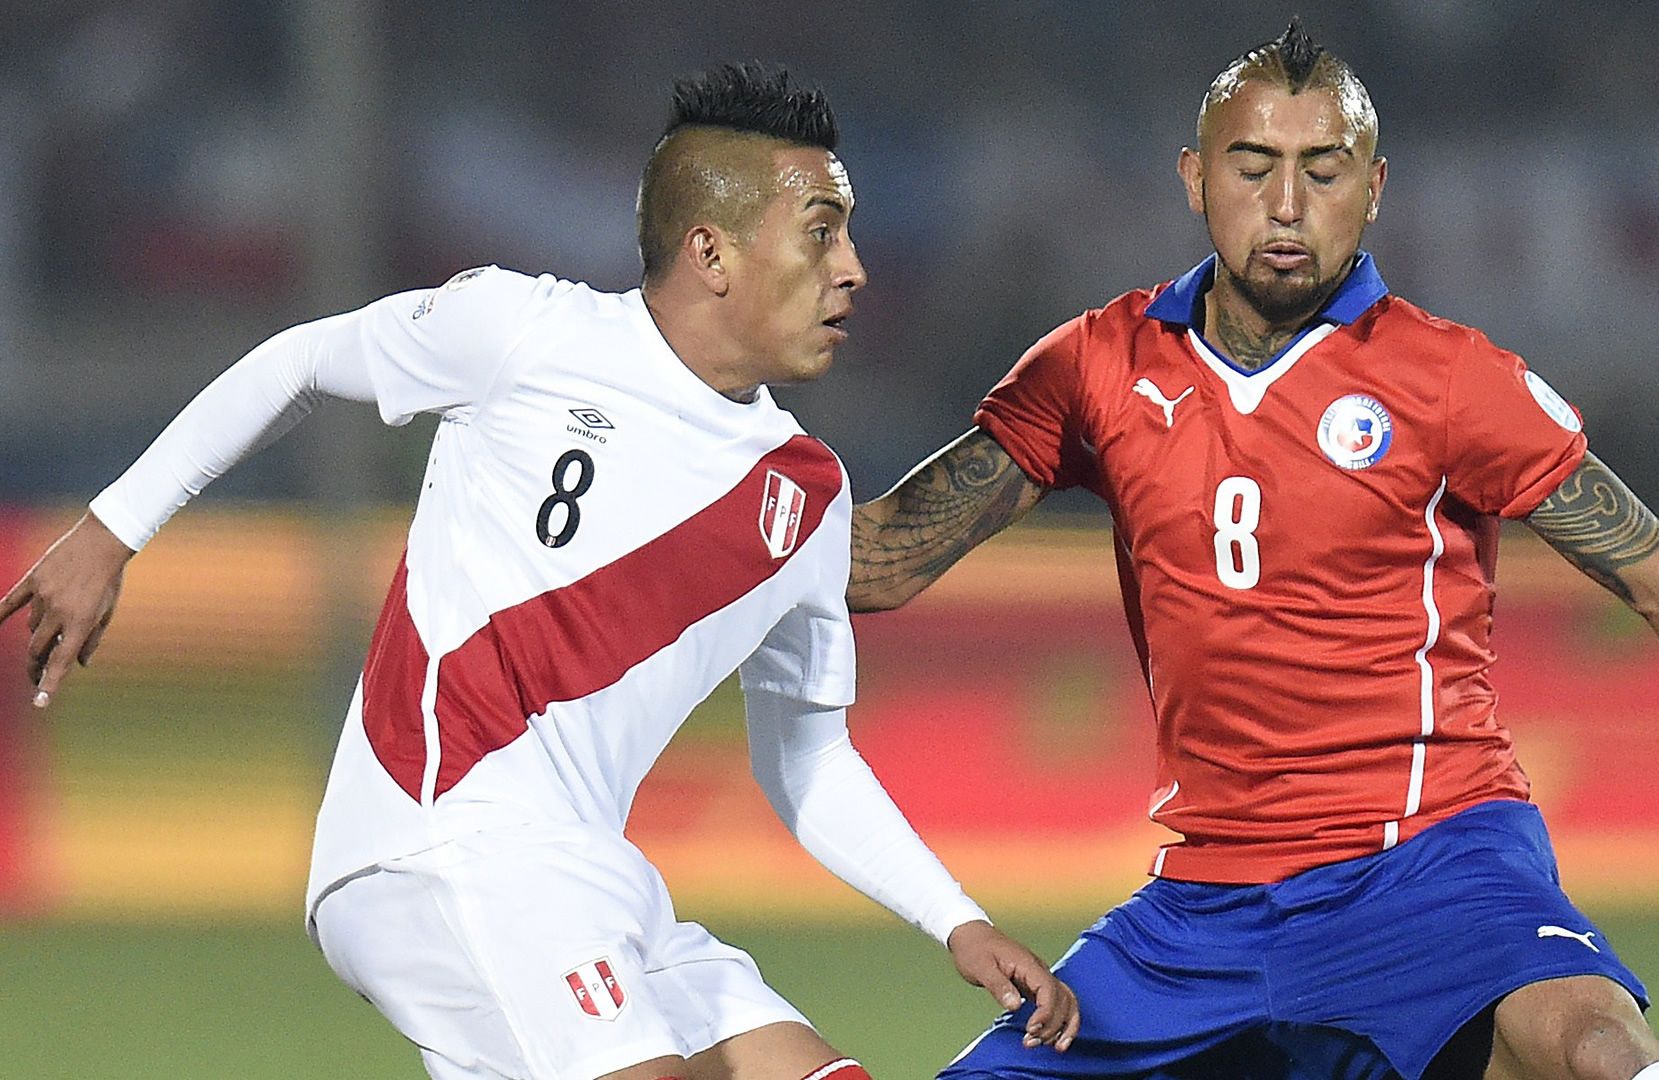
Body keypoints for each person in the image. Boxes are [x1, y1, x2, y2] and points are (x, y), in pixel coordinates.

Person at [848, 21, 1659, 1080]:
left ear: (1374, 186)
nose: (1284, 204)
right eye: (1253, 165)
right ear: (1192, 177)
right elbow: (882, 561)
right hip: (1201, 910)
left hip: (1432, 865)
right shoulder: (1095, 365)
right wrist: (699, 436)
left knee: (1596, 1049)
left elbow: (1653, 570)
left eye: (1323, 170)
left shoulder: (1449, 377)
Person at [1, 62, 1077, 1080]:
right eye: (821, 233)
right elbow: (304, 362)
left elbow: (806, 762)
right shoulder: (525, 332)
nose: (854, 269)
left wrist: (956, 919)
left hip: (591, 879)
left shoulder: (806, 493)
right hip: (437, 839)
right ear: (711, 253)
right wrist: (112, 527)